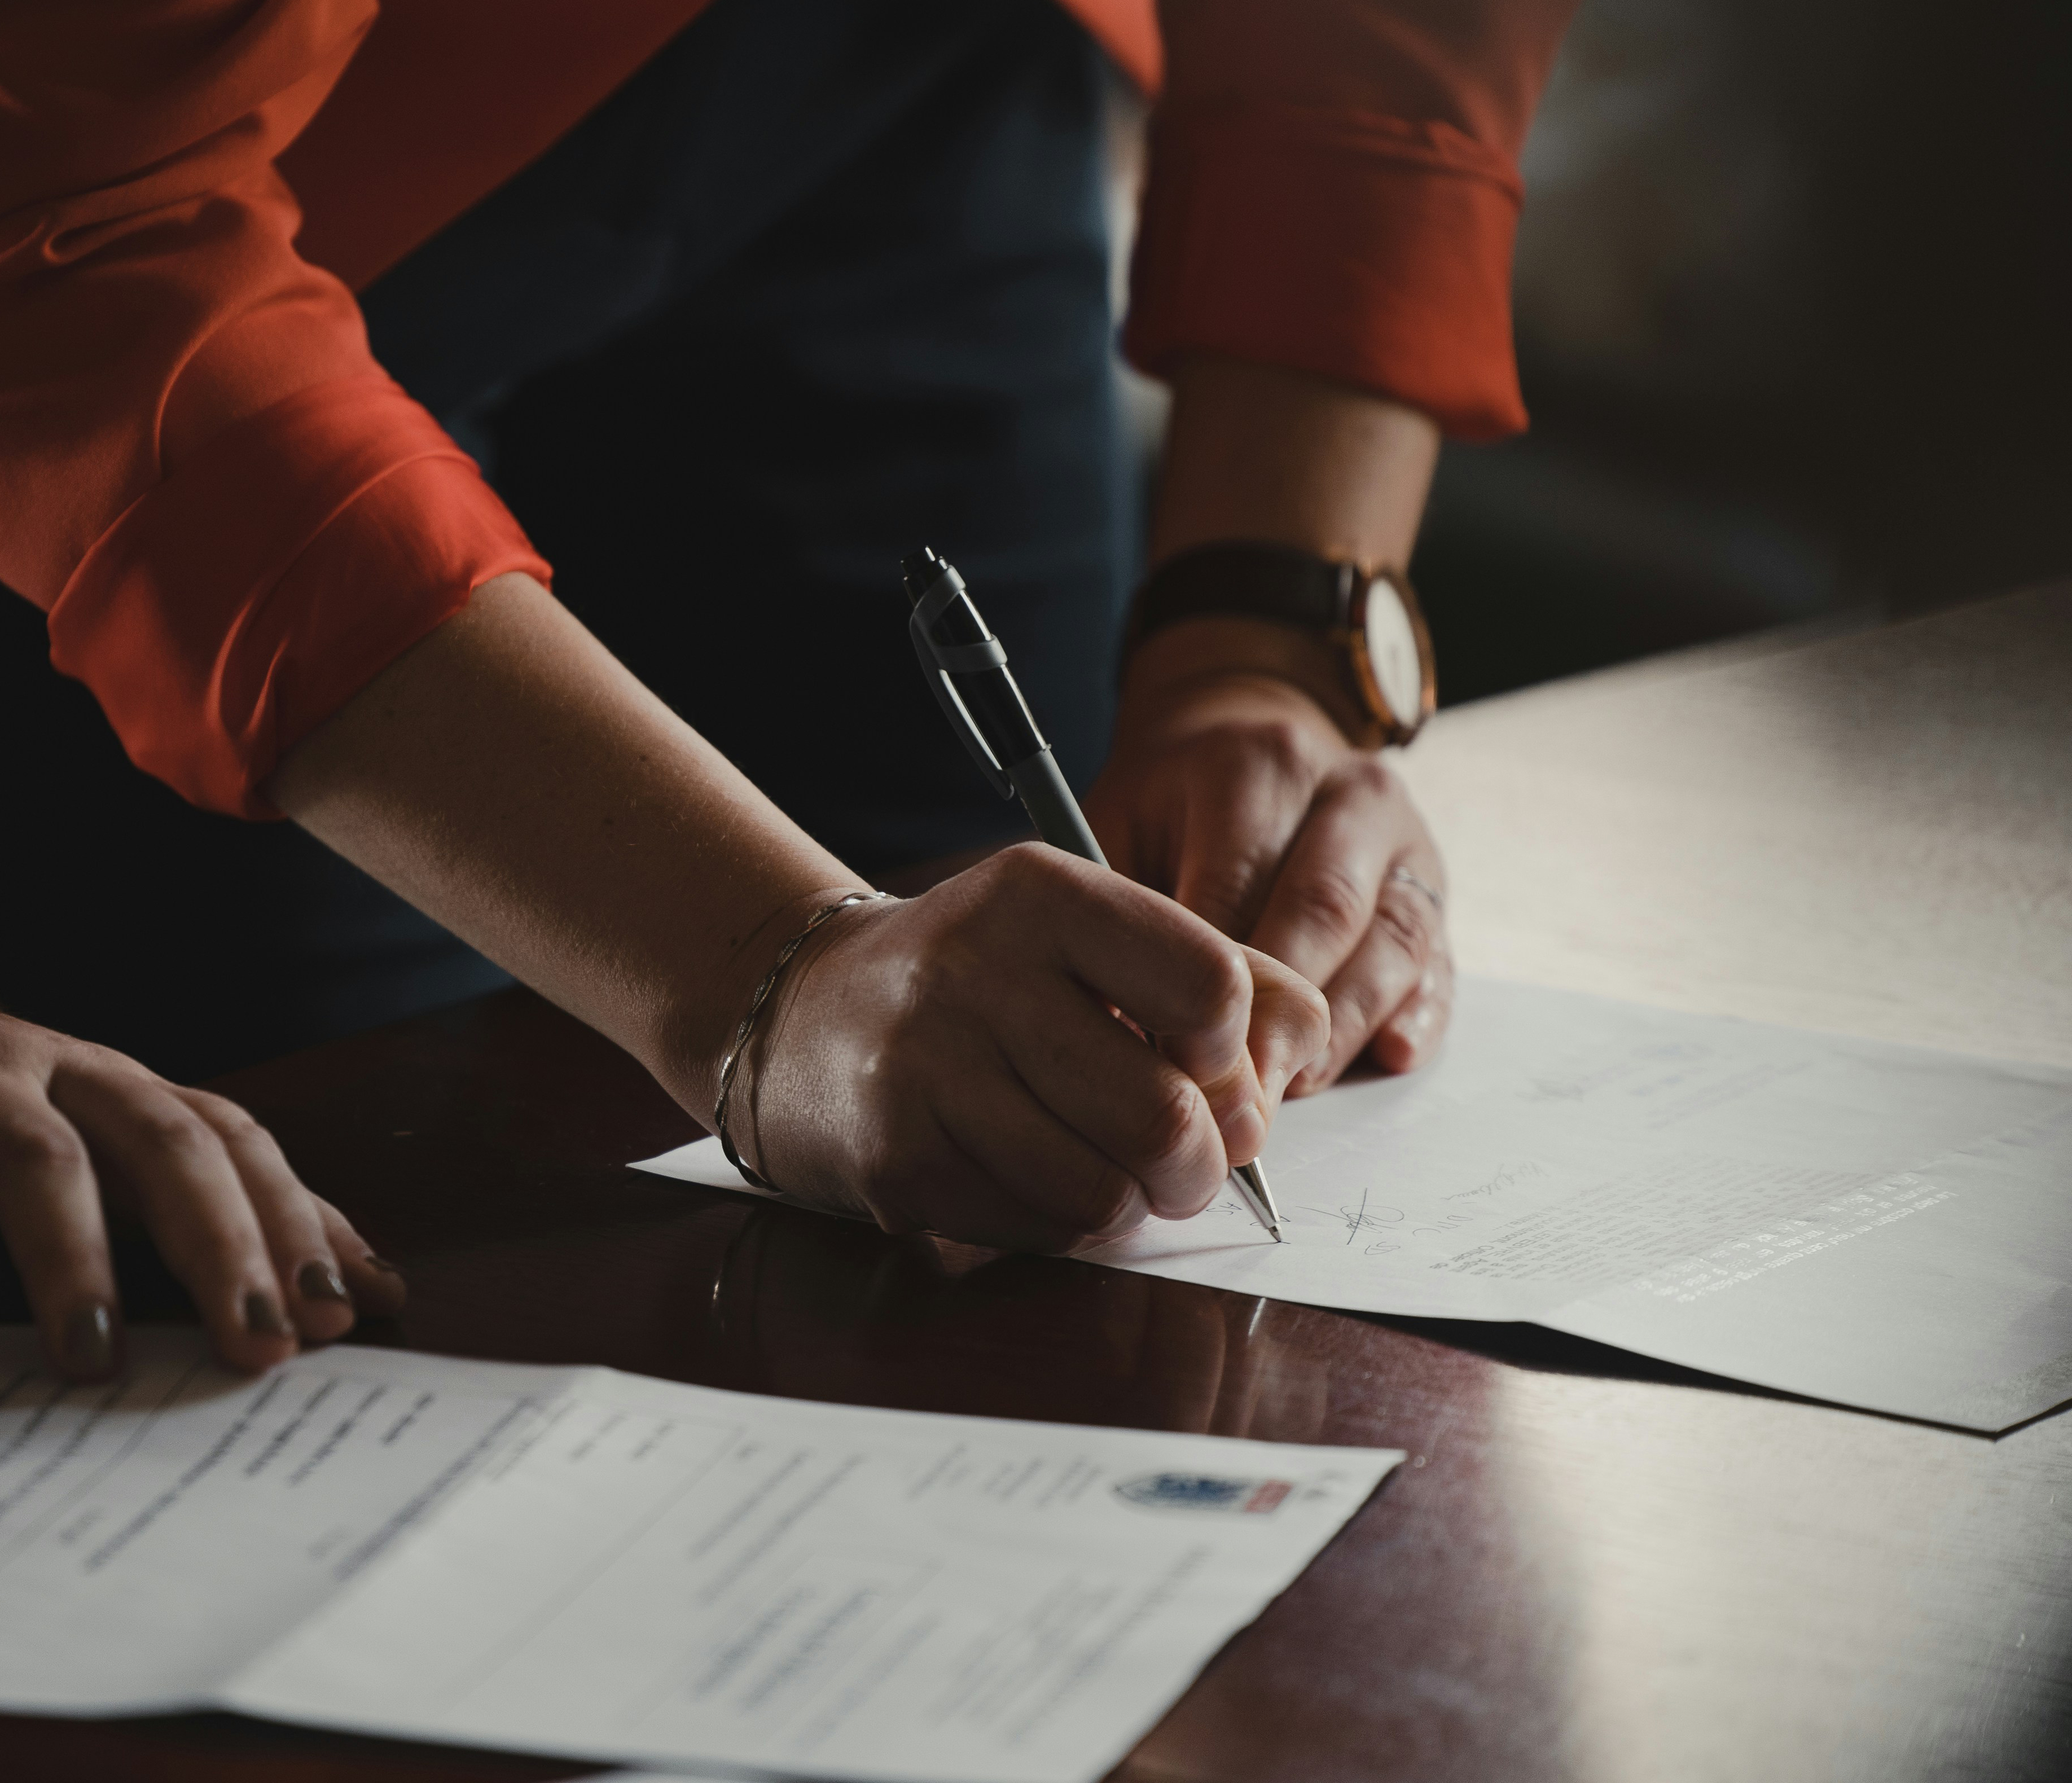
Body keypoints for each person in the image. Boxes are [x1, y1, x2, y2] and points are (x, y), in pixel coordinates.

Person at [0, 0, 1577, 1381]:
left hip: (913, 71)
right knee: (372, 1239)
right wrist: (759, 975)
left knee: (1017, 1113)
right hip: (172, 190)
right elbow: (78, 248)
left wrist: (1266, 637)